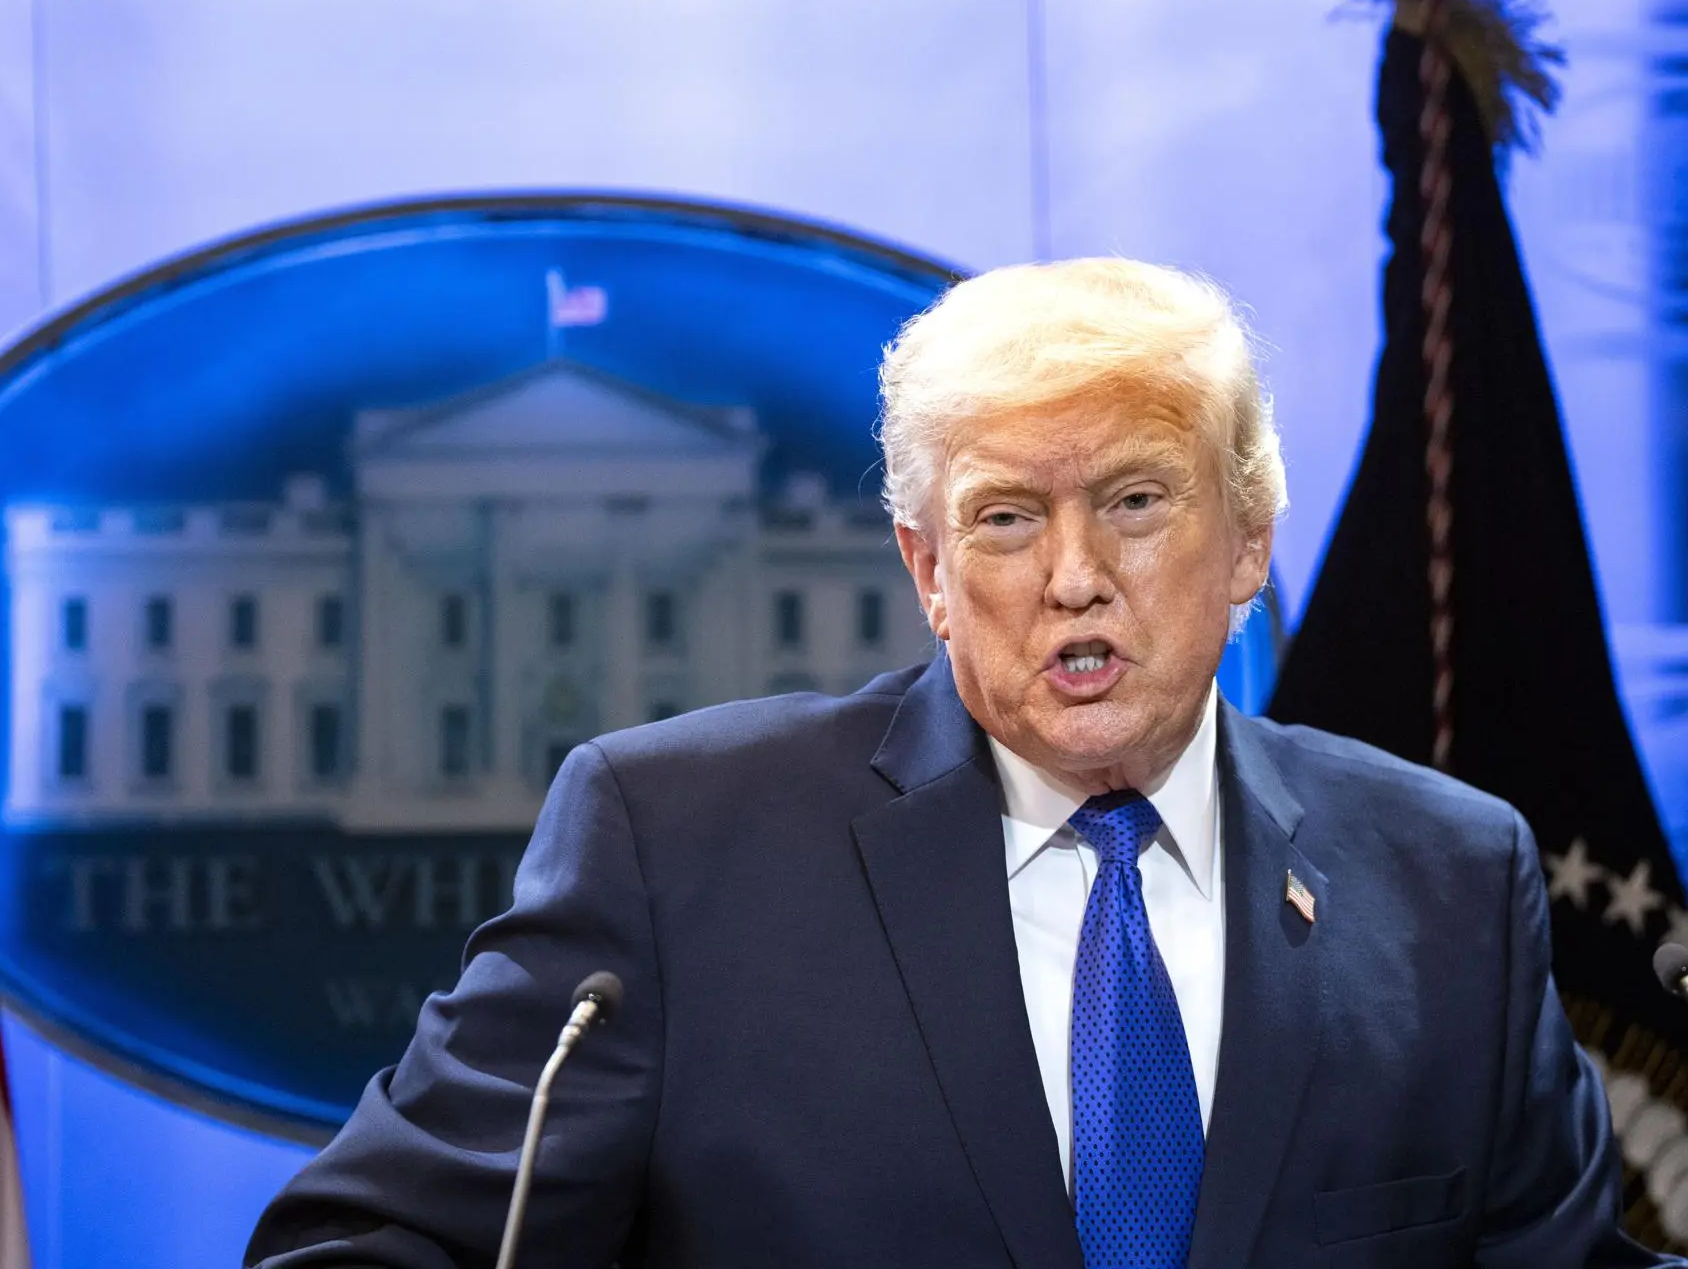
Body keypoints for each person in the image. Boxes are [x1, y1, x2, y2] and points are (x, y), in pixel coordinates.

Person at [246, 258, 1669, 1267]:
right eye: (1002, 519)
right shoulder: (678, 848)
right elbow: (371, 1243)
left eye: (1133, 501)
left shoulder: (1448, 878)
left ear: (1248, 541)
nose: (1074, 577)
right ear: (927, 570)